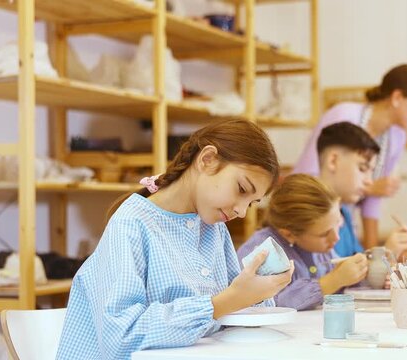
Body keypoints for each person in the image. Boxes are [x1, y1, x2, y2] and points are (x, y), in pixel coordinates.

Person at [56, 119, 294, 359]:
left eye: (251, 203)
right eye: (242, 190)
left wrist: (259, 291)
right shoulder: (131, 224)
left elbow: (233, 315)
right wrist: (223, 303)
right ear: (207, 160)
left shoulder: (213, 227)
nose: (242, 211)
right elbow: (121, 337)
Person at [294, 64, 407, 249]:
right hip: (311, 221)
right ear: (397, 97)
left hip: (343, 223)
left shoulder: (398, 136)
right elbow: (304, 179)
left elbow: (374, 201)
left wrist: (374, 255)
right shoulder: (343, 114)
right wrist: (371, 188)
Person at [237, 174, 368, 310]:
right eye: (324, 234)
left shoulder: (322, 251)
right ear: (289, 234)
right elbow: (274, 304)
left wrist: (363, 274)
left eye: (337, 223)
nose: (336, 237)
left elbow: (341, 289)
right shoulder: (263, 252)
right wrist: (333, 280)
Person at [315, 122, 407, 259]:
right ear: (333, 161)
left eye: (371, 172)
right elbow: (333, 274)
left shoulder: (344, 214)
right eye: (362, 168)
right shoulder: (310, 216)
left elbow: (359, 261)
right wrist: (386, 254)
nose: (369, 181)